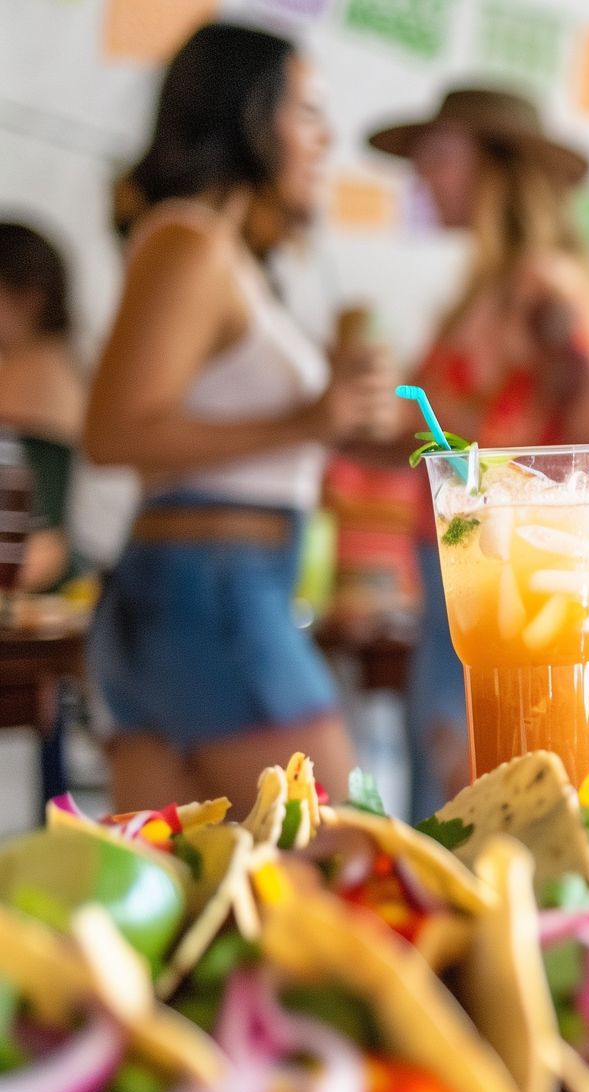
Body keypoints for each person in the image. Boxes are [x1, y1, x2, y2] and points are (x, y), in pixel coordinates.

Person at [84, 23, 400, 810]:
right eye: (309, 114)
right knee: (352, 851)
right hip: (214, 597)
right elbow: (113, 430)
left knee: (191, 890)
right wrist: (307, 421)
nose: (327, 141)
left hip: (196, 595)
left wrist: (343, 414)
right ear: (251, 120)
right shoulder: (190, 241)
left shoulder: (227, 256)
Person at [366, 86, 589, 818]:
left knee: (483, 798)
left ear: (499, 169)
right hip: (456, 570)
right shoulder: (483, 292)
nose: (423, 176)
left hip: (514, 576)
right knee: (454, 789)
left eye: (441, 157)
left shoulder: (540, 292)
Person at [0, 222, 84, 591]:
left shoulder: (34, 368)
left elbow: (40, 542)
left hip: (41, 584)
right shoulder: (69, 360)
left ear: (30, 298)